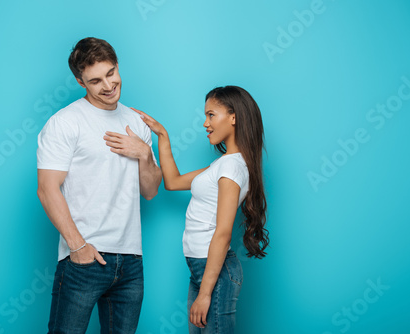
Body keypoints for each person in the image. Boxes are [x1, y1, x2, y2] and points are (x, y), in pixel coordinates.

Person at [36, 37, 162, 334]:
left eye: (110, 73)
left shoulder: (137, 121)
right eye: (95, 81)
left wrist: (144, 153)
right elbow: (47, 188)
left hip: (131, 261)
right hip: (84, 259)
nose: (107, 85)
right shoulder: (65, 122)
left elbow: (151, 190)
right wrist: (77, 247)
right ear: (81, 82)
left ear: (117, 66)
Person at [133, 85, 268, 333]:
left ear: (234, 117)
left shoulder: (231, 169)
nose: (205, 123)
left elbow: (223, 232)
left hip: (214, 274)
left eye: (211, 115)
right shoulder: (223, 164)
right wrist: (162, 136)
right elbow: (173, 182)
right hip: (202, 270)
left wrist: (205, 294)